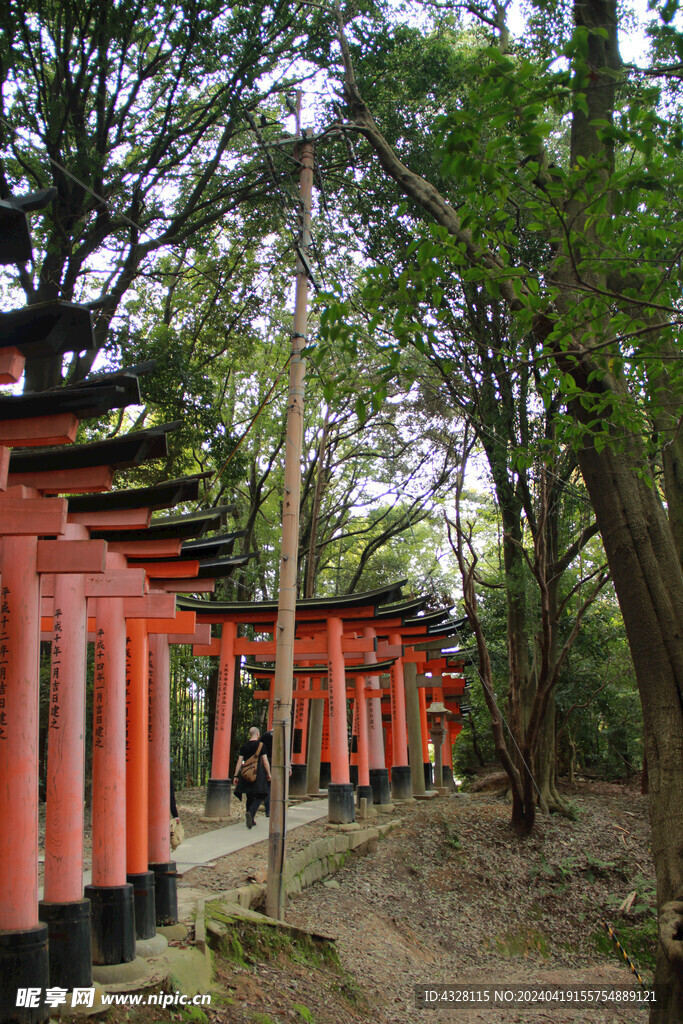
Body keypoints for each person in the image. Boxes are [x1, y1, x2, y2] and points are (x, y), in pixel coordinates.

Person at [233, 726, 271, 828]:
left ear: (250, 734)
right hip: (258, 774)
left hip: (246, 774)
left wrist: (236, 775)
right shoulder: (261, 746)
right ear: (258, 734)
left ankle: (251, 819)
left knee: (249, 796)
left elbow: (239, 762)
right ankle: (251, 812)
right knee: (261, 795)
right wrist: (268, 773)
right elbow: (265, 761)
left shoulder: (244, 746)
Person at [259, 728, 273, 817]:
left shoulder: (264, 736)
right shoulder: (283, 735)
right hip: (278, 763)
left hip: (266, 761)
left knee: (267, 786)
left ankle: (268, 810)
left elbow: (259, 750)